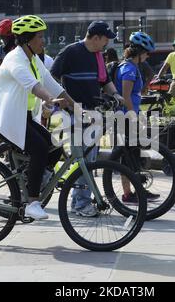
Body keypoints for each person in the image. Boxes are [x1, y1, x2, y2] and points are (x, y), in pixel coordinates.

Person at [0, 15, 75, 220]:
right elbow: (33, 85)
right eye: (39, 37)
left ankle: (30, 180)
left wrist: (78, 108)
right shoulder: (15, 59)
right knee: (39, 148)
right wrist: (50, 99)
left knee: (53, 147)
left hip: (23, 116)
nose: (43, 41)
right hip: (2, 117)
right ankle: (32, 201)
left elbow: (53, 85)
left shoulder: (34, 59)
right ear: (28, 39)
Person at [51, 20, 125, 217]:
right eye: (105, 39)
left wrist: (116, 94)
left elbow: (105, 81)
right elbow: (52, 77)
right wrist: (61, 101)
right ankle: (80, 203)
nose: (107, 43)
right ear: (95, 37)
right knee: (84, 158)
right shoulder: (70, 52)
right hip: (74, 113)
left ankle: (79, 199)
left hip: (93, 112)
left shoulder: (98, 56)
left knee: (88, 158)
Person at [114, 31, 160, 203]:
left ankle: (134, 192)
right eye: (147, 53)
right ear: (140, 52)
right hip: (127, 117)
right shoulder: (129, 69)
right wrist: (133, 117)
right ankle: (130, 193)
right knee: (128, 156)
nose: (148, 56)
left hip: (129, 115)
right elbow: (125, 96)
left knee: (131, 155)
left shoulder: (130, 67)